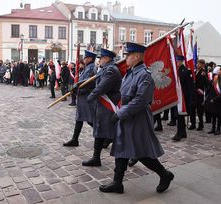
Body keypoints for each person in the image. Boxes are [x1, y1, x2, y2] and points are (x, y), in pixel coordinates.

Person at [99, 42, 174, 194]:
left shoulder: (144, 75)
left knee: (141, 152)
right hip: (126, 116)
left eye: (128, 55)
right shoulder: (130, 72)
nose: (125, 58)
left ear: (137, 56)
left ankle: (164, 174)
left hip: (137, 119)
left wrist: (120, 113)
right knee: (121, 147)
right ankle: (117, 183)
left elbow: (140, 101)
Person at [82, 48, 121, 166]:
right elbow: (93, 81)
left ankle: (134, 155)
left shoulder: (111, 71)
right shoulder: (104, 69)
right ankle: (96, 157)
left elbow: (101, 87)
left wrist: (90, 97)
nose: (100, 61)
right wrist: (79, 85)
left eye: (102, 58)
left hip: (109, 105)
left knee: (116, 132)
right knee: (99, 130)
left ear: (107, 58)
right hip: (102, 105)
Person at [63, 51, 96, 146]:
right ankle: (75, 139)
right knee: (79, 118)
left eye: (85, 57)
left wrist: (77, 90)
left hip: (86, 97)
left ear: (90, 58)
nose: (84, 59)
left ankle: (105, 137)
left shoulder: (91, 68)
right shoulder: (88, 67)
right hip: (82, 97)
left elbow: (88, 84)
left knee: (90, 120)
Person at [172, 55, 195, 141]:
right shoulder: (177, 71)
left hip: (183, 97)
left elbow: (190, 87)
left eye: (178, 61)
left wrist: (191, 99)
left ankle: (179, 133)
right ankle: (183, 132)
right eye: (176, 61)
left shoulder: (185, 71)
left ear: (181, 61)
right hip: (177, 97)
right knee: (179, 116)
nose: (176, 62)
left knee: (179, 115)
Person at [189, 59, 208, 131]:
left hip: (199, 93)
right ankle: (193, 124)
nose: (197, 65)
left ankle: (201, 125)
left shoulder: (203, 73)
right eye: (197, 63)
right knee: (192, 109)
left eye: (199, 64)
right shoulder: (194, 71)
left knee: (199, 110)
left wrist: (195, 85)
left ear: (203, 65)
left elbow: (204, 83)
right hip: (193, 94)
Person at [205, 66, 221, 135]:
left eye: (220, 70)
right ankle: (213, 128)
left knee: (219, 116)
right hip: (213, 101)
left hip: (219, 100)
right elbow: (210, 89)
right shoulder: (215, 79)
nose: (219, 71)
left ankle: (218, 129)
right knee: (213, 115)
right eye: (219, 70)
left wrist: (214, 99)